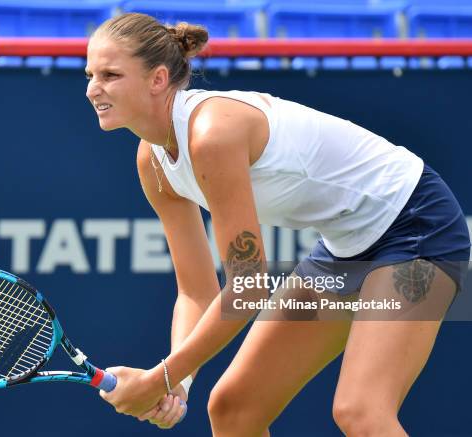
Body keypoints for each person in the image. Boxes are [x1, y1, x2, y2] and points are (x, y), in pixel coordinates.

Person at [84, 12, 471, 436]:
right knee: (234, 408)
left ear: (158, 79)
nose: (92, 89)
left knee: (361, 410)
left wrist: (160, 376)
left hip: (416, 225)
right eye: (90, 75)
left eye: (110, 74)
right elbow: (196, 290)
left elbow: (248, 287)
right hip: (344, 248)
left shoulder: (212, 135)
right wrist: (179, 380)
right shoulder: (152, 163)